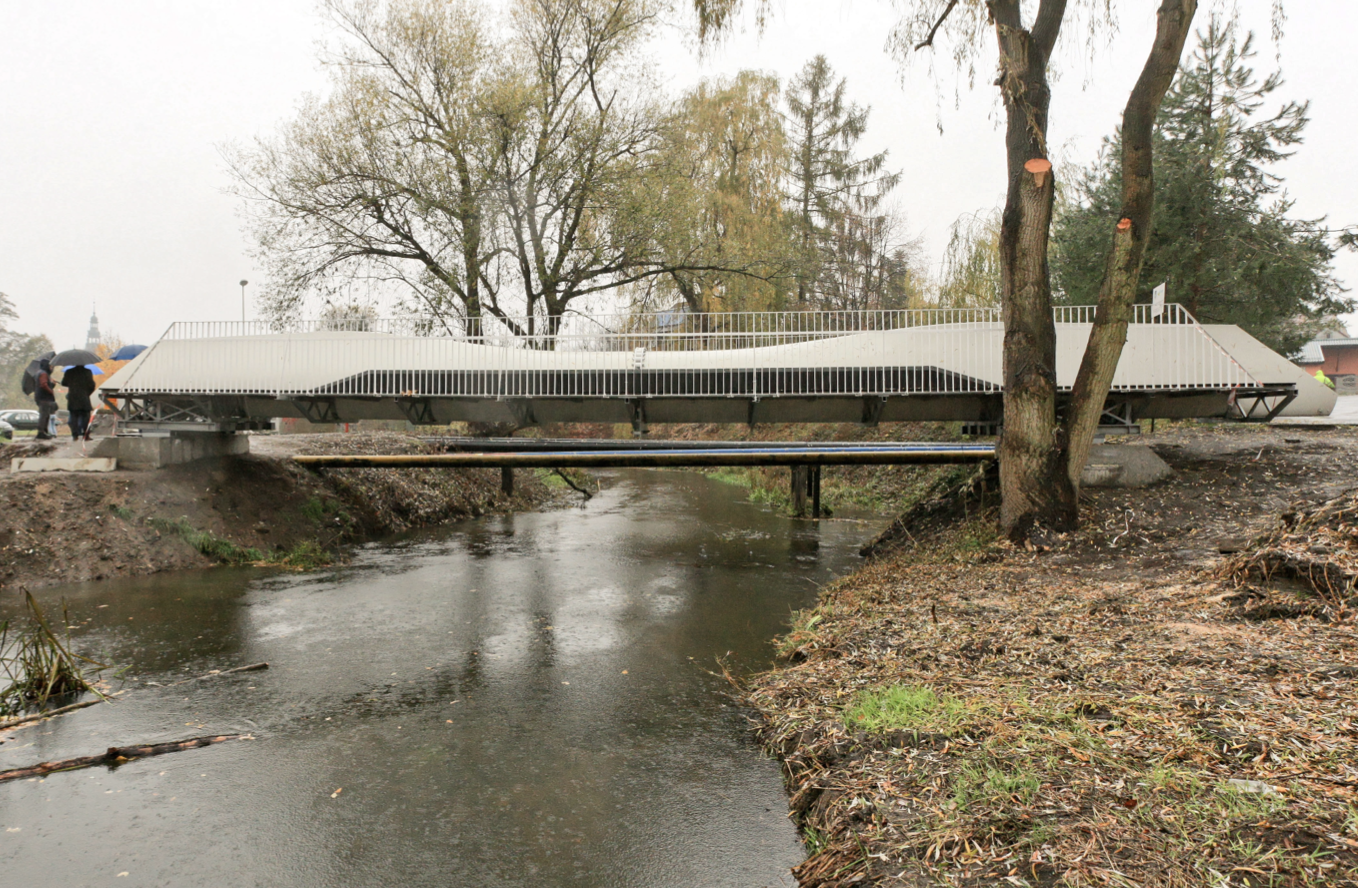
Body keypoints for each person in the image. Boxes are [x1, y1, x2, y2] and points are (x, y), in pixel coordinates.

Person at [62, 365, 97, 441]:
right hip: (84, 397)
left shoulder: (69, 372)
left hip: (73, 397)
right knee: (85, 417)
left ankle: (75, 435)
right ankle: (86, 435)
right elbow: (92, 385)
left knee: (74, 416)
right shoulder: (87, 372)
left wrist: (72, 384)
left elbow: (63, 383)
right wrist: (87, 393)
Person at [34, 359, 57, 439]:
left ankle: (44, 431)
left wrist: (52, 384)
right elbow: (43, 385)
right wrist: (51, 391)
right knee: (44, 415)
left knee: (46, 414)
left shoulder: (39, 373)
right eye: (50, 366)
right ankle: (41, 432)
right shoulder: (43, 373)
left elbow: (45, 384)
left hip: (40, 397)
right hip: (44, 398)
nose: (51, 368)